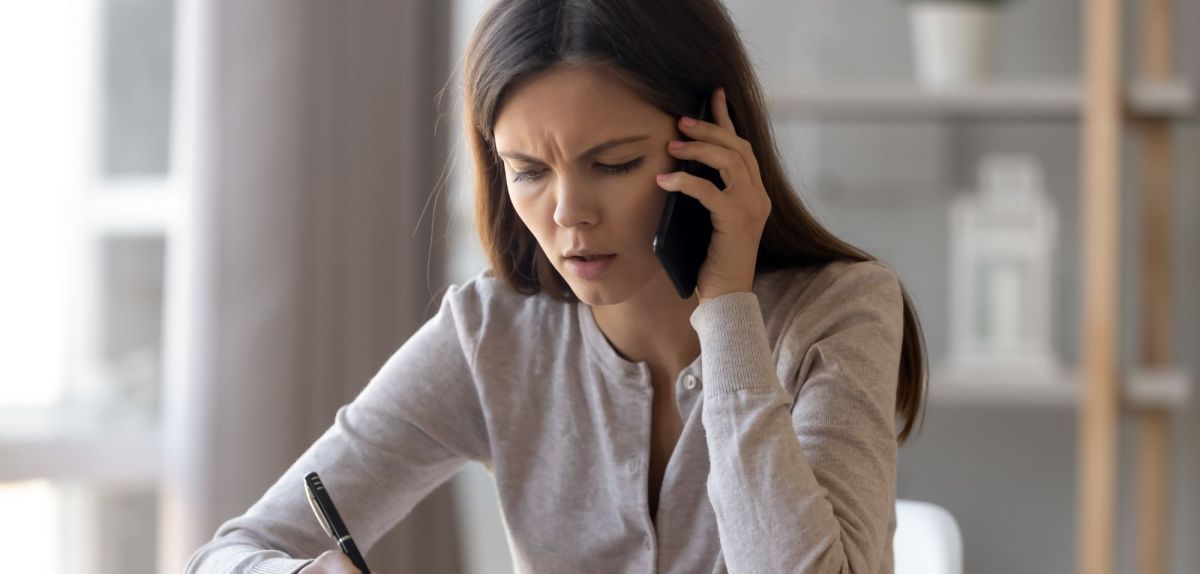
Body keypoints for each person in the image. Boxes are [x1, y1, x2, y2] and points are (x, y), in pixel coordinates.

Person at [185, 0, 929, 572]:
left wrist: (728, 308)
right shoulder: (494, 335)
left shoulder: (843, 308)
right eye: (529, 172)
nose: (568, 214)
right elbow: (229, 551)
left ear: (713, 147)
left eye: (612, 164)